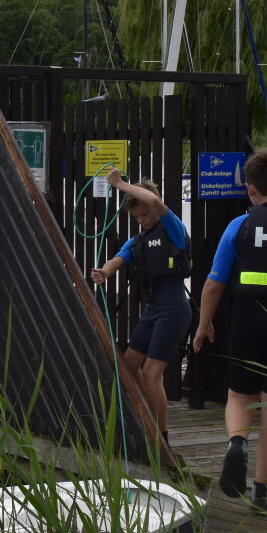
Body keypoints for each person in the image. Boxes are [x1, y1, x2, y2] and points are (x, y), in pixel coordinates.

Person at [193, 149, 267, 513]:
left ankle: (237, 443)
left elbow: (213, 284)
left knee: (240, 396)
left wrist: (203, 325)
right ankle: (262, 493)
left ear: (250, 189)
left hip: (246, 319)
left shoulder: (239, 225)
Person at [88, 171, 190, 446]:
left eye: (145, 215)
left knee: (151, 373)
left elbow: (155, 202)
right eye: (137, 218)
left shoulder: (174, 230)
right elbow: (117, 259)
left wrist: (120, 185)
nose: (142, 220)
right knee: (129, 365)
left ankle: (161, 439)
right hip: (152, 311)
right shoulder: (138, 241)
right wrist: (104, 272)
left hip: (173, 310)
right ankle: (146, 418)